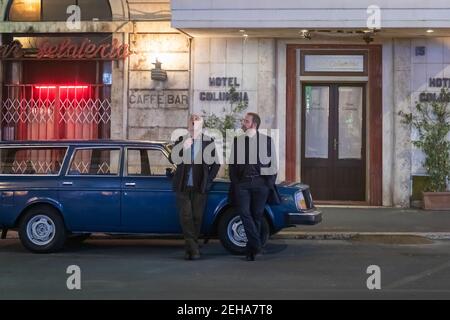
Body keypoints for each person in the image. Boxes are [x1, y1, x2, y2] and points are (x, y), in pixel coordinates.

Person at [228, 112, 280, 261]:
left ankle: (251, 251)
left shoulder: (267, 141)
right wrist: (236, 183)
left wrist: (268, 183)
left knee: (257, 216)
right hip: (242, 184)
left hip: (261, 184)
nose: (243, 123)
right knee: (244, 214)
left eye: (246, 121)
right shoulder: (238, 141)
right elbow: (232, 165)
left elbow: (273, 164)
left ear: (253, 124)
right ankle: (257, 245)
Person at [170, 114, 220, 260]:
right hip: (182, 186)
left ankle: (190, 249)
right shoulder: (181, 140)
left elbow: (216, 164)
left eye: (196, 122)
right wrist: (183, 148)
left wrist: (208, 181)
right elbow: (173, 159)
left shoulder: (208, 142)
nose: (193, 124)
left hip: (200, 185)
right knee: (186, 217)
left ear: (201, 125)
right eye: (191, 122)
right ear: (188, 124)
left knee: (197, 218)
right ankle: (195, 250)